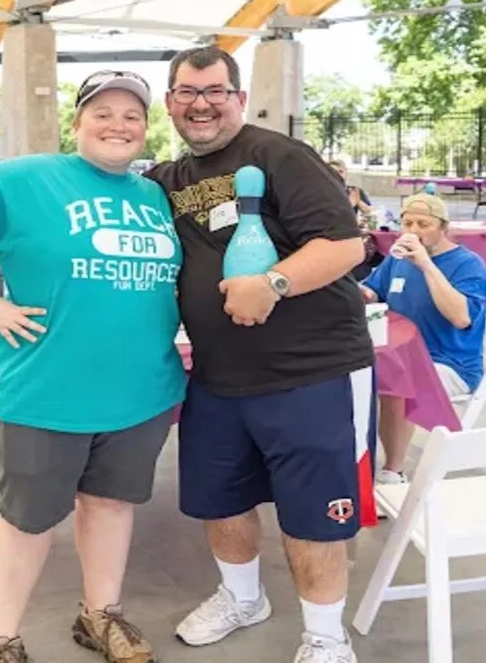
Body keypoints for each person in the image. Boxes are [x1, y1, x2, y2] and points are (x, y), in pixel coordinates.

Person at [0, 71, 185, 663]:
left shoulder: (154, 197)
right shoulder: (23, 179)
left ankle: (99, 615)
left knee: (110, 504)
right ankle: (3, 640)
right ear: (77, 123)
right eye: (102, 113)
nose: (118, 125)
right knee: (27, 521)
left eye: (132, 116)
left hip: (142, 392)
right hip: (46, 393)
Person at [146, 46, 373, 663]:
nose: (201, 104)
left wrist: (273, 283)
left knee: (314, 514)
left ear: (239, 98)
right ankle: (244, 598)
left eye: (215, 91)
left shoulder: (279, 155)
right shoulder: (166, 182)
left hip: (311, 372)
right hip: (217, 377)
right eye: (188, 92)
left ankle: (326, 637)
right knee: (220, 499)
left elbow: (344, 246)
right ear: (170, 103)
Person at [358, 193, 486, 483]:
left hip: (449, 361)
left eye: (423, 224)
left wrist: (426, 265)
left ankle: (393, 471)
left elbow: (461, 317)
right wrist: (360, 293)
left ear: (443, 227)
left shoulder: (468, 265)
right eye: (407, 224)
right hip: (399, 353)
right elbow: (374, 291)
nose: (414, 231)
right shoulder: (397, 259)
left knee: (399, 382)